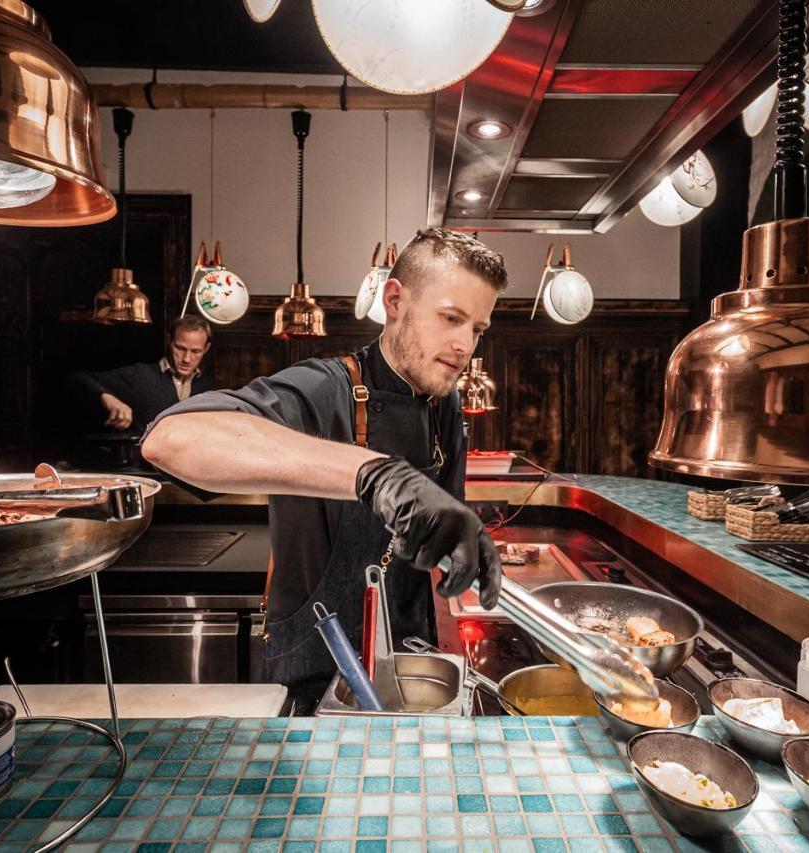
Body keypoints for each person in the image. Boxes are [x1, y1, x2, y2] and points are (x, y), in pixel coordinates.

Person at [142, 228, 507, 697]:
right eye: (451, 318)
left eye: (477, 330)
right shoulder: (324, 387)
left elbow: (434, 534)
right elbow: (171, 440)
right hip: (316, 672)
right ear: (394, 300)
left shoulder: (444, 405)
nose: (464, 346)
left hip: (410, 662)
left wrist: (459, 541)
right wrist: (374, 475)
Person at [71, 316, 216, 433]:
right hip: (143, 466)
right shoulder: (140, 375)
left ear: (206, 348)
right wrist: (108, 398)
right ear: (169, 341)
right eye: (180, 348)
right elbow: (79, 377)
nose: (187, 359)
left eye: (196, 351)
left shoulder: (208, 388)